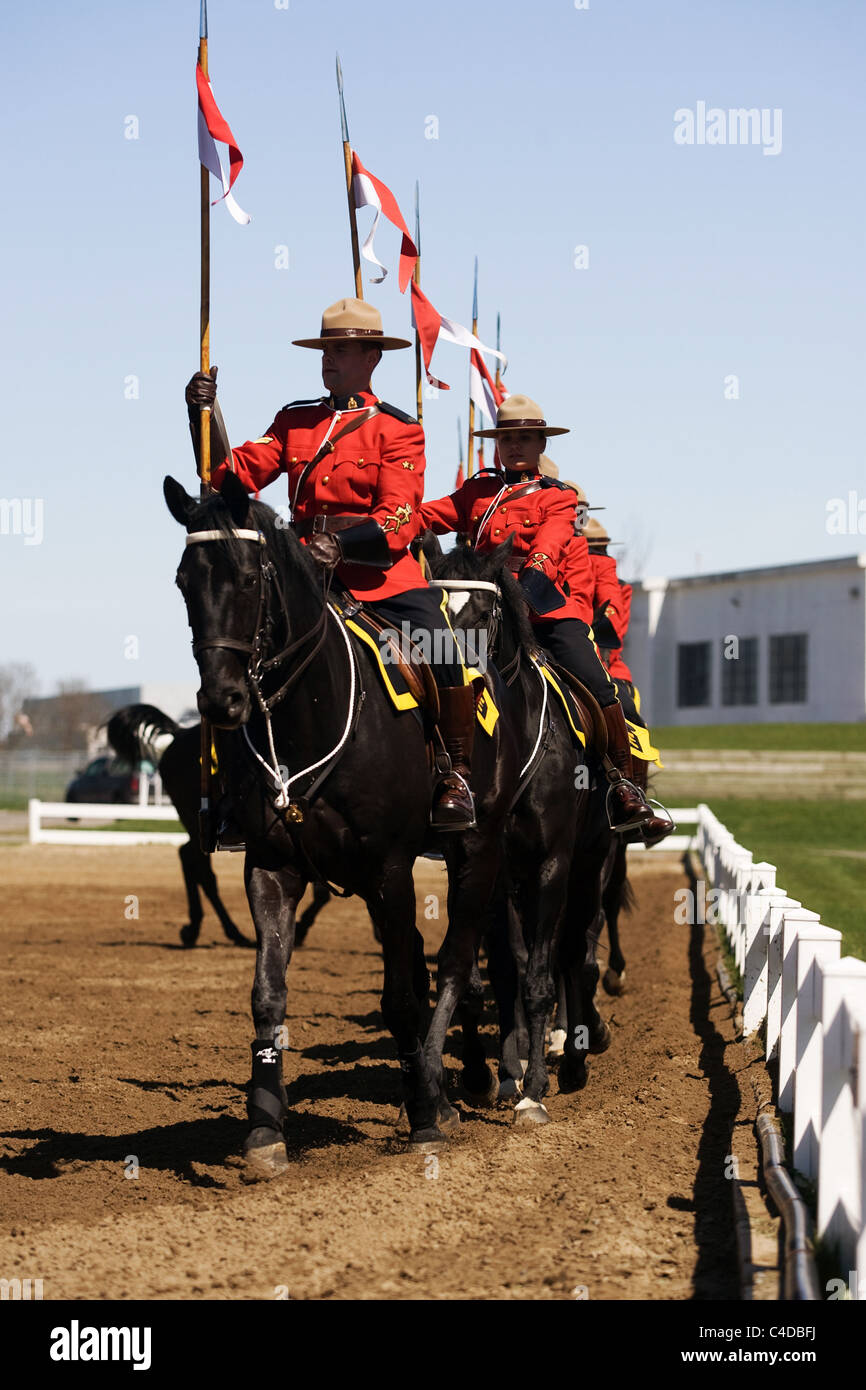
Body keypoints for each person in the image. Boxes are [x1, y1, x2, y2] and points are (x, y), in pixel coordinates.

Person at [184, 297, 475, 830]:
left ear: (372, 358)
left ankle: (454, 773)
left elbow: (401, 516)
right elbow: (232, 479)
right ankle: (233, 789)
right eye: (325, 349)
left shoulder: (397, 429)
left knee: (442, 644)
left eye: (341, 350)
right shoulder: (296, 420)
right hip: (301, 575)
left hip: (380, 577)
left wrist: (342, 547)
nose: (329, 359)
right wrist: (204, 413)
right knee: (231, 647)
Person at [418, 395, 661, 835]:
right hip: (483, 609)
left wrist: (525, 585)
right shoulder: (477, 491)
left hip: (541, 607)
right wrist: (397, 519)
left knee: (594, 678)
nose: (514, 447)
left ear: (540, 444)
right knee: (429, 668)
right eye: (507, 438)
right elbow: (428, 516)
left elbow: (547, 551)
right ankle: (443, 778)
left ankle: (623, 784)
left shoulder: (558, 498)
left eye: (525, 439)